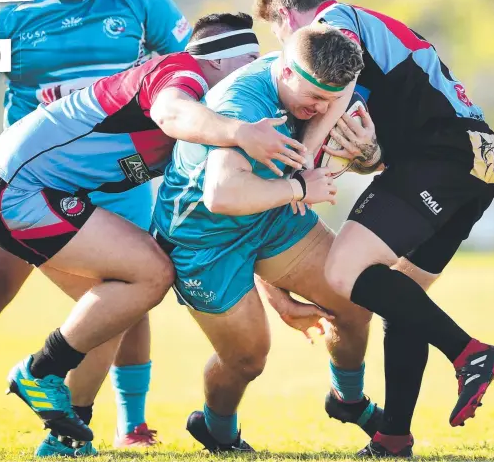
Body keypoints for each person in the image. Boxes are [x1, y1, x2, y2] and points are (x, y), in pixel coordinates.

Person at [0, 11, 307, 452]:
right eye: (248, 63)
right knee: (150, 274)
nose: (252, 80)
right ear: (221, 60)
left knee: (116, 302)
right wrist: (241, 132)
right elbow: (170, 112)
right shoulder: (179, 73)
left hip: (37, 189)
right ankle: (40, 372)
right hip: (18, 187)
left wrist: (275, 289)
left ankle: (67, 438)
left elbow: (235, 215)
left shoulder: (207, 119)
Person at [254, 0, 494, 457]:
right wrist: (366, 154)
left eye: (277, 31)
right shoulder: (367, 46)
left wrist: (302, 162)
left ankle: (468, 353)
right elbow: (375, 156)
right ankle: (393, 437)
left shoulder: (333, 23)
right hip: (478, 162)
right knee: (400, 297)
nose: (285, 45)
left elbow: (338, 91)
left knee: (344, 270)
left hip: (443, 157)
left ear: (286, 14)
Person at [0, 0, 192, 454]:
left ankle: (127, 425)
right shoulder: (4, 11)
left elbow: (190, 66)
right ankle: (66, 419)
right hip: (32, 180)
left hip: (118, 178)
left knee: (127, 293)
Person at [150, 23, 387, 452]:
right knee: (248, 358)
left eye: (329, 101)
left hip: (270, 215)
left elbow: (348, 83)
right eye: (313, 98)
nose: (320, 108)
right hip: (203, 239)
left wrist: (306, 158)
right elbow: (221, 195)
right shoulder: (242, 103)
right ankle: (217, 430)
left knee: (354, 300)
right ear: (286, 71)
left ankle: (347, 400)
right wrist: (300, 187)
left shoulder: (320, 80)